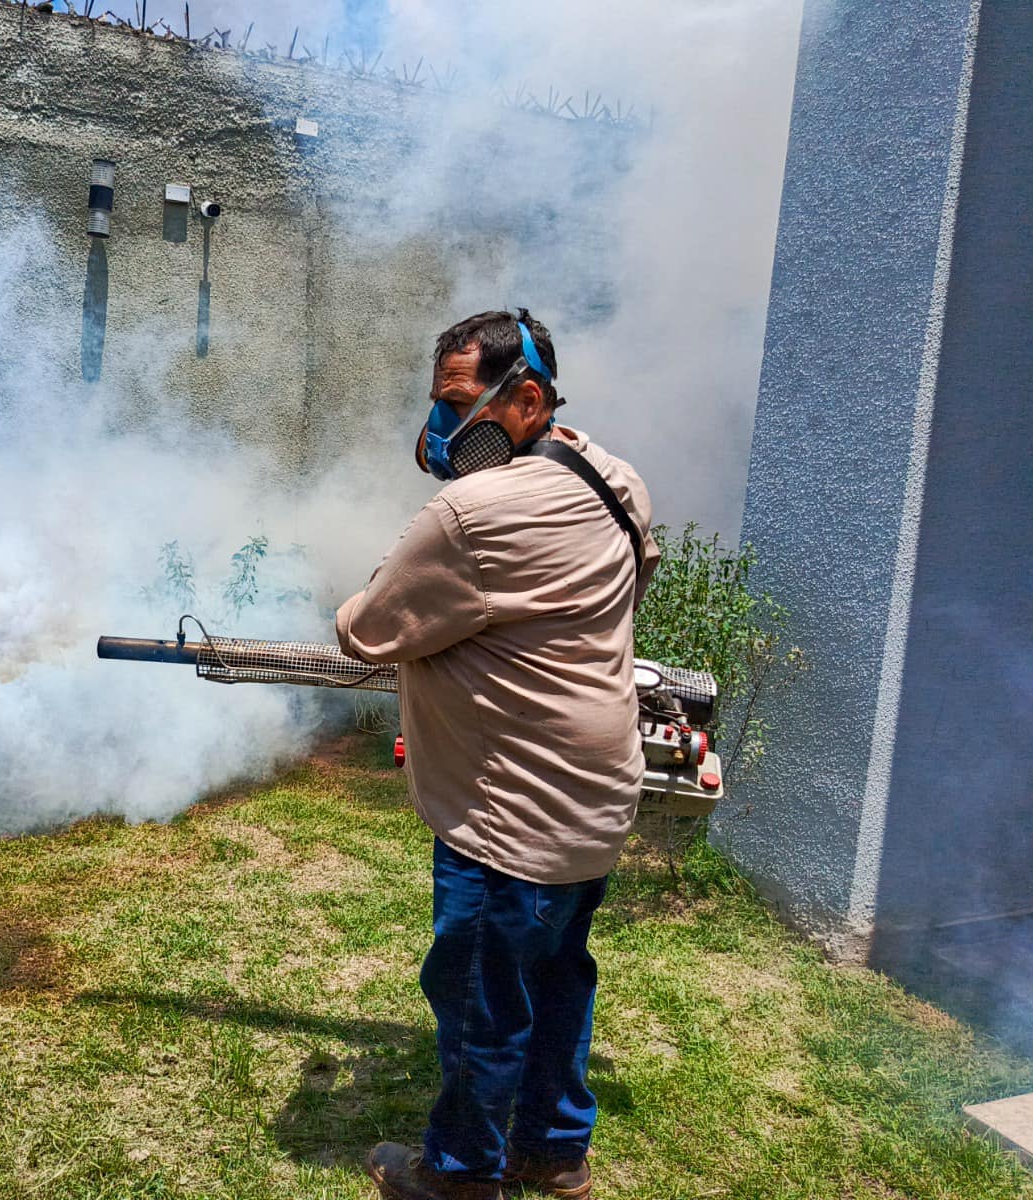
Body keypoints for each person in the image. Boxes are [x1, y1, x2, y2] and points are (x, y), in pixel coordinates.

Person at [335, 309, 660, 1200]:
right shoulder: (614, 476)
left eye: (453, 403)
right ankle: (555, 1154)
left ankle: (461, 1173)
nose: (440, 426)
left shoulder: (470, 511)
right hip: (597, 801)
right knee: (559, 980)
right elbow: (630, 574)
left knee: (483, 1000)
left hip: (508, 815)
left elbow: (366, 630)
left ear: (523, 398)